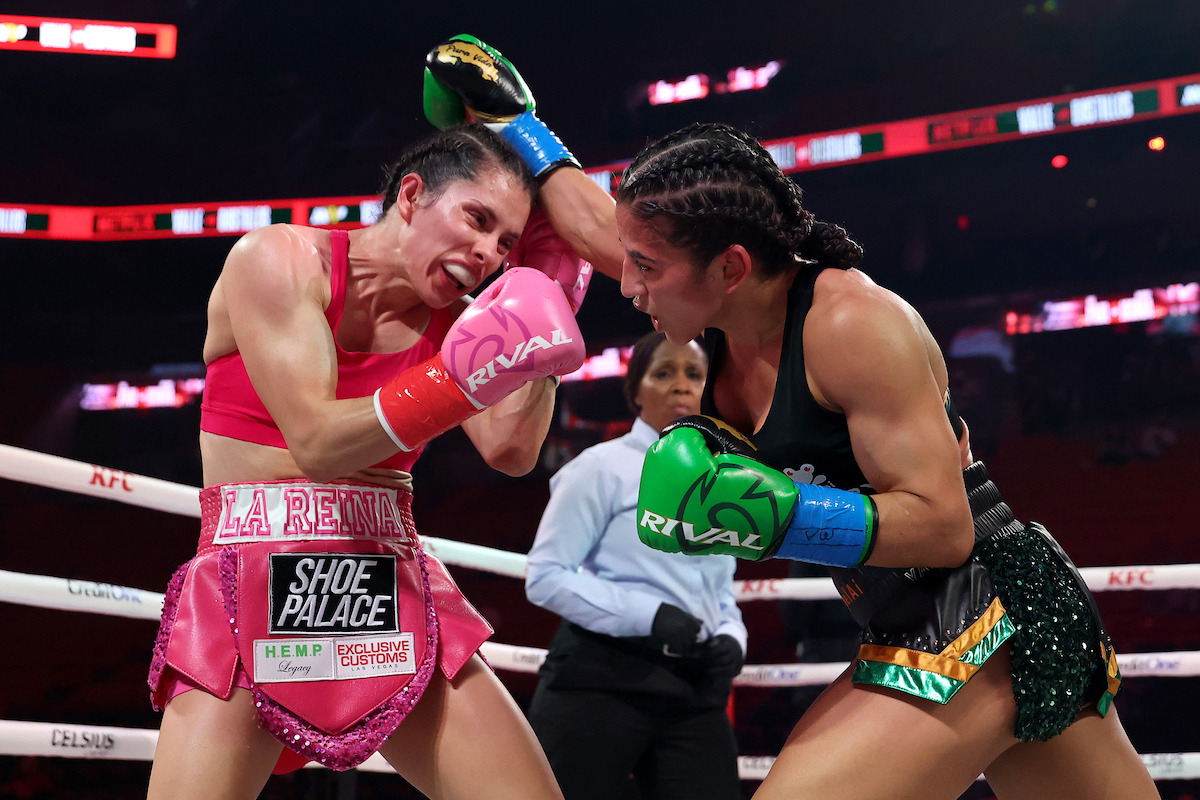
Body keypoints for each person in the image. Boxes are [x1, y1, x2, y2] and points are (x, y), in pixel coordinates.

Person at [619, 123, 1161, 799]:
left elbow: (944, 527)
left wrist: (780, 518)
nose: (624, 283)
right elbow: (614, 228)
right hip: (913, 617)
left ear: (729, 268)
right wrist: (514, 125)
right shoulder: (708, 305)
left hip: (984, 614)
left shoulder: (852, 324)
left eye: (642, 266)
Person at [146, 122, 591, 799]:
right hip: (255, 578)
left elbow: (511, 449)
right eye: (477, 219)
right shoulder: (281, 258)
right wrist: (461, 377)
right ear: (411, 195)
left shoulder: (464, 322)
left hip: (387, 584)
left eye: (507, 243)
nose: (487, 254)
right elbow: (318, 442)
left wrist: (548, 309)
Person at [524, 331, 746, 800]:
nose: (681, 386)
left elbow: (717, 589)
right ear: (636, 392)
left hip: (694, 687)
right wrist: (648, 615)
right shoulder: (600, 467)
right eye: (663, 372)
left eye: (694, 374)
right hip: (600, 680)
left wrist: (731, 633)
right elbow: (546, 576)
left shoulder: (728, 484)